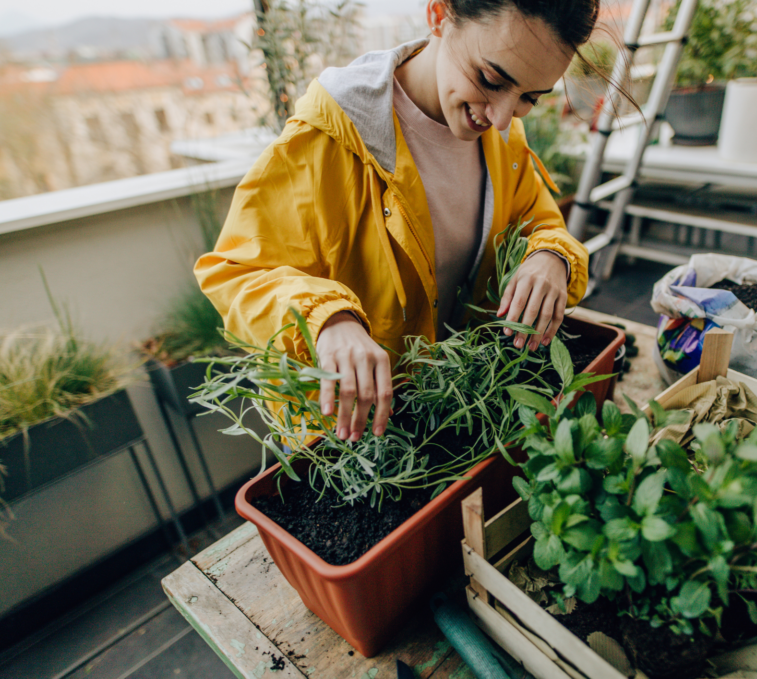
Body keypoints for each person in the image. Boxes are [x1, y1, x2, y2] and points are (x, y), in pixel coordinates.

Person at [195, 0, 608, 447]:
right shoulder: (327, 138)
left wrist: (551, 255)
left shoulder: (502, 137)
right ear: (438, 16)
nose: (503, 117)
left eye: (530, 98)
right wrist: (328, 320)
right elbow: (235, 273)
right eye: (491, 79)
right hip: (358, 447)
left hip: (463, 417)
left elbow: (537, 221)